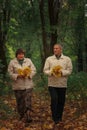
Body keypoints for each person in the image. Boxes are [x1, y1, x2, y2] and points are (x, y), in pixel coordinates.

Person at [43, 44, 72, 124]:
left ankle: (59, 117)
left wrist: (61, 72)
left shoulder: (67, 59)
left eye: (56, 48)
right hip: (52, 84)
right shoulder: (49, 59)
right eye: (54, 48)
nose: (55, 50)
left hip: (62, 84)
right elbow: (45, 70)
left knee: (61, 101)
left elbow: (69, 70)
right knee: (54, 99)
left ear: (61, 49)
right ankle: (54, 117)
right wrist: (51, 72)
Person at [8, 48, 36, 124]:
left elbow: (34, 70)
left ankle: (28, 116)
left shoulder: (28, 61)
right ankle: (21, 114)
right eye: (19, 54)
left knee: (28, 100)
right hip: (18, 85)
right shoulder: (12, 62)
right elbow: (10, 73)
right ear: (16, 55)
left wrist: (29, 75)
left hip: (28, 84)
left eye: (22, 54)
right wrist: (17, 76)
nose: (21, 55)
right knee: (20, 102)